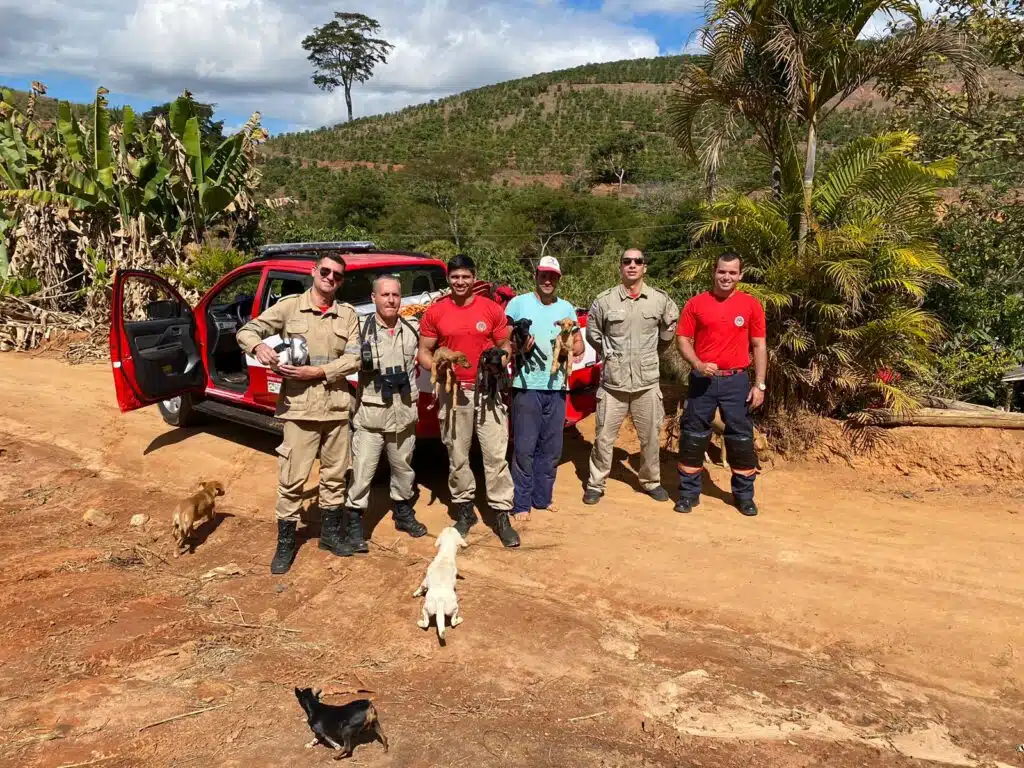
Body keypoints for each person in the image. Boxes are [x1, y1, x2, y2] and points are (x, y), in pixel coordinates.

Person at [236, 252, 361, 574]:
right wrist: (259, 347)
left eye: (337, 275)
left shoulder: (347, 315)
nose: (330, 278)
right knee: (292, 479)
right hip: (300, 409)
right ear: (313, 271)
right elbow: (247, 331)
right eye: (325, 271)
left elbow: (355, 358)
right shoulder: (291, 306)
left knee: (335, 477)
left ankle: (330, 535)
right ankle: (286, 542)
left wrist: (318, 373)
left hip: (335, 408)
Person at [418, 254, 520, 548]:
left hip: (488, 389)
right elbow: (425, 350)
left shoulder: (490, 309)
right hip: (453, 392)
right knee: (457, 453)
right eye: (455, 277)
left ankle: (501, 513)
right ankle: (464, 510)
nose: (460, 282)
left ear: (474, 278)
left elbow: (504, 344)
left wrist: (501, 359)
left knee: (495, 453)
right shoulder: (435, 312)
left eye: (465, 276)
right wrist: (433, 364)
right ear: (448, 279)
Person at [583, 248, 679, 505]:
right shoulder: (605, 301)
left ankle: (650, 481)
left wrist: (647, 357)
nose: (632, 265)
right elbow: (593, 334)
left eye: (638, 261)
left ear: (645, 267)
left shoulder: (659, 300)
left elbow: (667, 333)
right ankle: (596, 483)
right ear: (621, 267)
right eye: (627, 261)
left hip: (646, 384)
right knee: (604, 437)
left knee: (649, 436)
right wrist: (613, 356)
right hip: (613, 384)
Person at [675, 252, 767, 517]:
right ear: (714, 272)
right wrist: (698, 364)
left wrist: (759, 385)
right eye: (722, 272)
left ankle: (744, 496)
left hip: (736, 381)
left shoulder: (751, 305)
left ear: (740, 275)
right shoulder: (696, 303)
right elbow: (683, 340)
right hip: (703, 381)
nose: (726, 277)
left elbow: (759, 345)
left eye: (732, 273)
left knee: (740, 439)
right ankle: (688, 495)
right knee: (694, 436)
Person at [344, 275, 428, 549]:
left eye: (395, 295)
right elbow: (345, 361)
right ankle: (355, 521)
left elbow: (432, 350)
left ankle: (402, 512)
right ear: (373, 298)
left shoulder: (412, 329)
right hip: (371, 417)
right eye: (385, 295)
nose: (391, 300)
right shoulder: (360, 331)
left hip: (402, 415)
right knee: (362, 471)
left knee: (404, 469)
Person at [504, 256, 584, 520]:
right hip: (526, 386)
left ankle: (543, 498)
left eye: (553, 276)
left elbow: (579, 345)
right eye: (543, 275)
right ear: (535, 276)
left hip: (558, 387)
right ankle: (521, 503)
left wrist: (572, 346)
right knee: (525, 447)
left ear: (559, 279)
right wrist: (516, 348)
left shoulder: (567, 308)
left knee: (551, 448)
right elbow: (503, 341)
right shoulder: (518, 304)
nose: (548, 280)